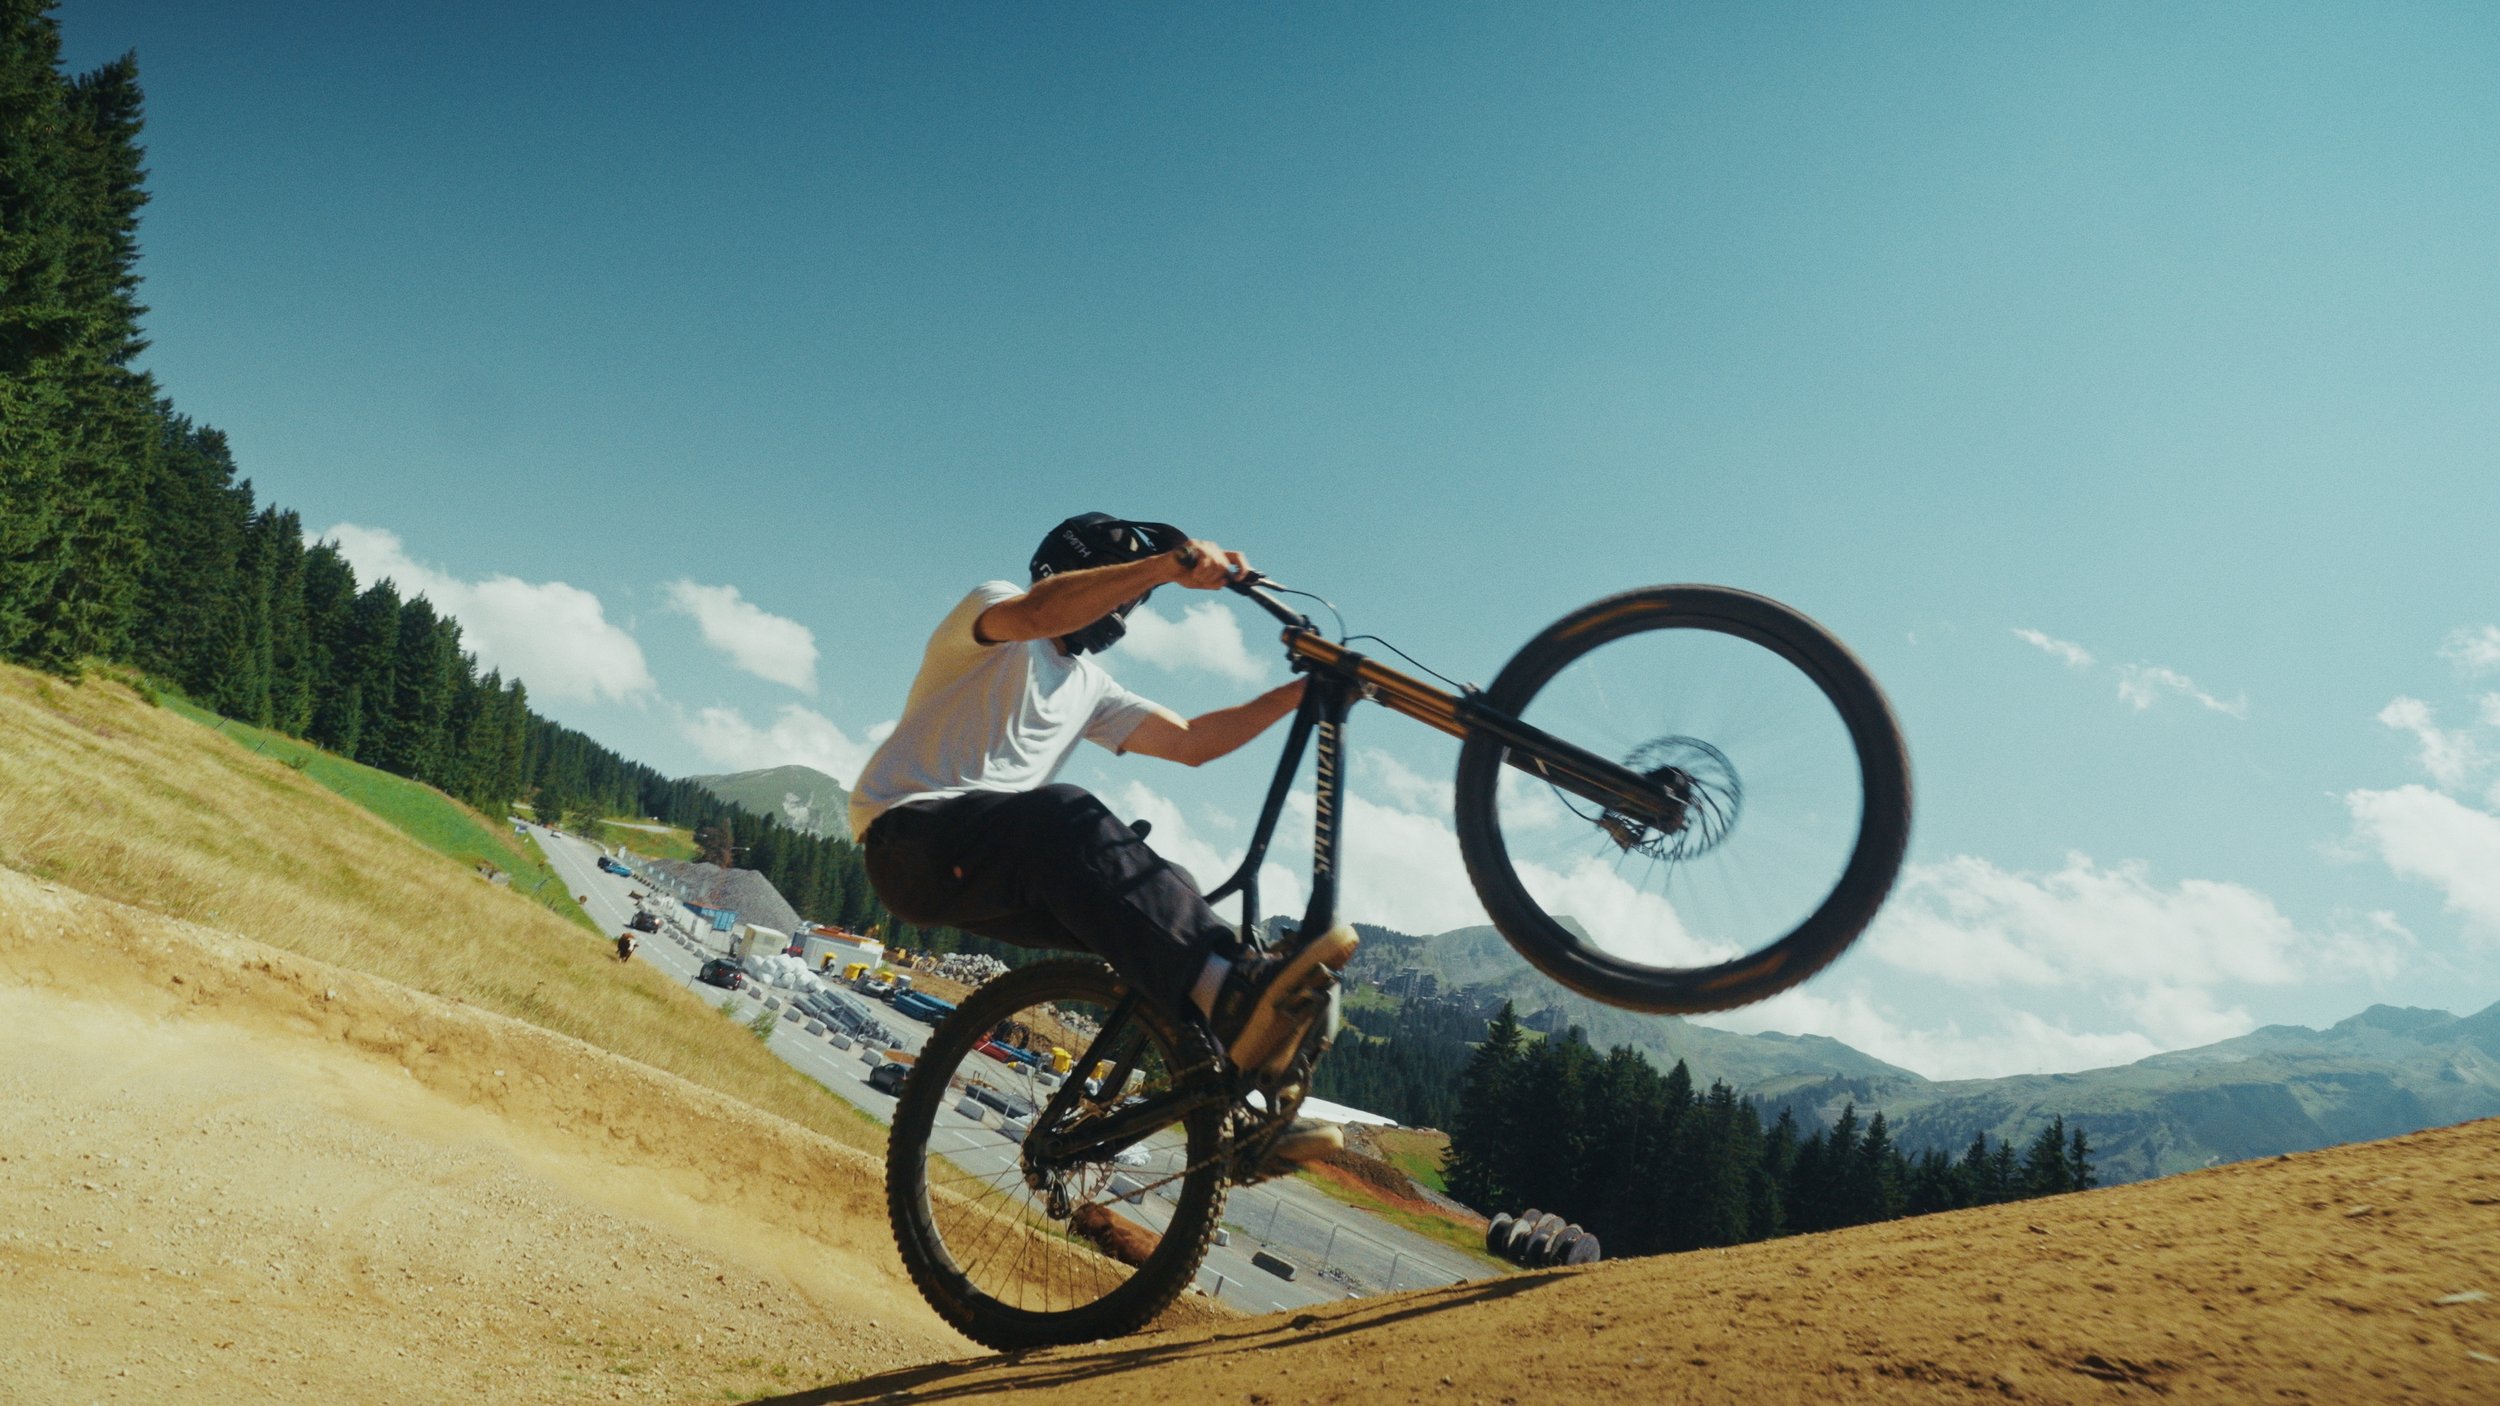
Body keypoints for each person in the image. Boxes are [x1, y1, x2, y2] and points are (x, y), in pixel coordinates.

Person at [848, 514, 1357, 1161]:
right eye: (1122, 591)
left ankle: (1236, 1107)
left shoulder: (1090, 688)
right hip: (911, 840)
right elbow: (1039, 613)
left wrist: (1304, 690)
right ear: (1070, 571)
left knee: (1163, 900)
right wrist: (1165, 567)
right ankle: (1229, 999)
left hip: (995, 867)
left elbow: (1193, 742)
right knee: (1067, 815)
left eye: (1135, 602)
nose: (1125, 608)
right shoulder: (995, 613)